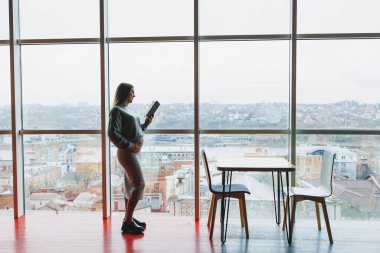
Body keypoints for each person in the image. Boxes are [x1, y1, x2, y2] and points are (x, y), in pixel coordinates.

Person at [108, 83, 154, 235]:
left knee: (130, 187)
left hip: (133, 153)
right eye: (132, 92)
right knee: (140, 184)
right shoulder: (116, 110)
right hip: (127, 153)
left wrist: (146, 123)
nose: (134, 95)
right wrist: (130, 146)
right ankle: (127, 223)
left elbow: (135, 130)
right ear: (125, 93)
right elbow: (112, 134)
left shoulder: (126, 110)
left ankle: (129, 218)